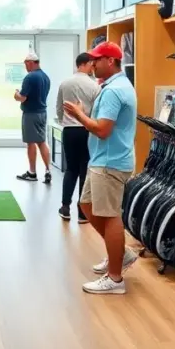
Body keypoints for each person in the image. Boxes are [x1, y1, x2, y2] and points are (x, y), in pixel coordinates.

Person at [63, 41, 138, 295]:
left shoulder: (114, 91)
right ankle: (120, 253)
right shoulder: (113, 86)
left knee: (109, 215)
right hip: (102, 160)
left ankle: (115, 279)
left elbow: (103, 130)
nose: (92, 64)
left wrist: (79, 115)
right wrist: (85, 114)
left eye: (97, 60)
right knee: (86, 205)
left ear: (110, 61)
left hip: (110, 162)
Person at [55, 52, 100, 223]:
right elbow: (97, 111)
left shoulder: (65, 83)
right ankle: (82, 213)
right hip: (87, 130)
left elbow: (59, 107)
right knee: (84, 170)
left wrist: (64, 121)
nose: (93, 68)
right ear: (87, 64)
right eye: (92, 65)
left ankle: (65, 207)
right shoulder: (95, 86)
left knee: (71, 169)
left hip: (69, 131)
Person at [15, 51, 52, 183]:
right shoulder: (45, 77)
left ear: (31, 63)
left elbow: (23, 97)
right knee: (42, 142)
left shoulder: (30, 77)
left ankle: (32, 172)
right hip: (42, 112)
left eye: (26, 63)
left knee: (31, 143)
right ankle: (48, 170)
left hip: (31, 114)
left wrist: (16, 95)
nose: (25, 66)